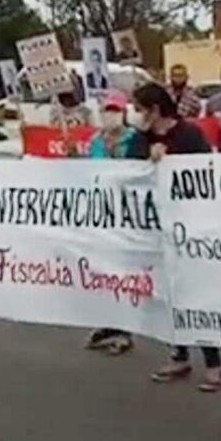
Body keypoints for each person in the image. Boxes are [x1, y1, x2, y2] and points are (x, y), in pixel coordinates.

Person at [128, 82, 221, 391]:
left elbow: (206, 174)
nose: (136, 115)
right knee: (170, 295)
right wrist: (147, 160)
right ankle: (179, 354)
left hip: (190, 228)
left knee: (198, 294)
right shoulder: (140, 139)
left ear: (155, 109)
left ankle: (213, 363)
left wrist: (171, 163)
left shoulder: (189, 135)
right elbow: (126, 173)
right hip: (156, 230)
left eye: (140, 109)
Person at [84, 90, 137, 355]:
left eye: (115, 110)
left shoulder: (134, 138)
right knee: (102, 270)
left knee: (123, 270)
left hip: (127, 213)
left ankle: (124, 328)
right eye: (107, 110)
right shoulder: (95, 141)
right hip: (100, 214)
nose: (110, 115)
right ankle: (108, 323)